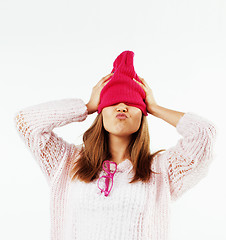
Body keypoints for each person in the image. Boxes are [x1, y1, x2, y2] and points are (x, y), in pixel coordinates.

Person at [14, 50, 217, 240]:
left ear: (143, 114)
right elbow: (26, 122)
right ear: (101, 112)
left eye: (131, 103)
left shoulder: (160, 171)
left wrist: (155, 107)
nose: (122, 106)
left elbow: (204, 134)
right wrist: (86, 107)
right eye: (113, 102)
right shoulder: (67, 163)